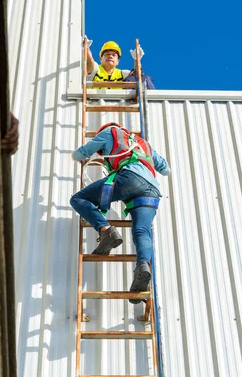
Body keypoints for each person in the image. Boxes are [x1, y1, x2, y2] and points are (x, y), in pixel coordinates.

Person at [70, 123, 170, 302]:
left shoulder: (109, 132)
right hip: (152, 189)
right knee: (142, 231)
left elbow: (82, 153)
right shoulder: (143, 144)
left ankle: (106, 230)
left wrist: (74, 155)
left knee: (78, 199)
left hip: (130, 178)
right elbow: (165, 169)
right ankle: (143, 265)